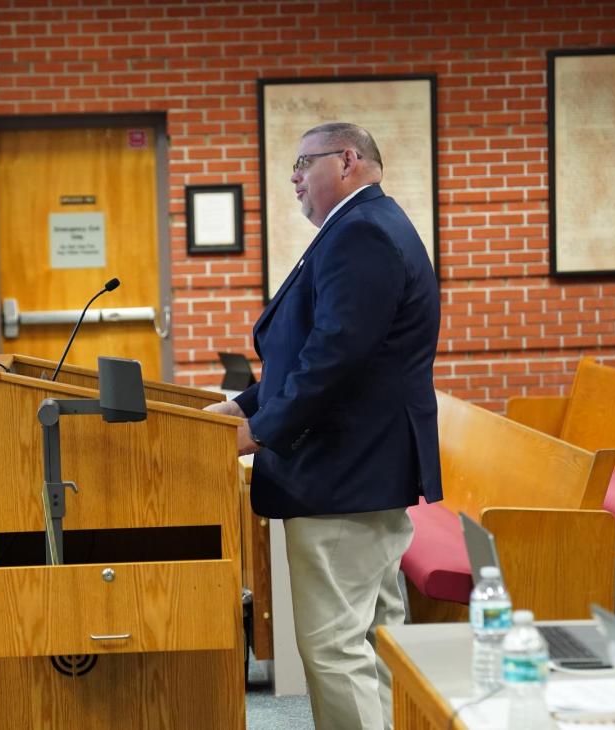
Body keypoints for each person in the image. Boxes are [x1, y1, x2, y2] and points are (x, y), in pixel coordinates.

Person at [205, 122, 441, 729]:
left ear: (347, 160)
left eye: (302, 164)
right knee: (376, 638)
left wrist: (259, 432)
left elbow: (335, 359)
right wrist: (246, 405)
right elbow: (317, 351)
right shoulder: (364, 226)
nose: (292, 178)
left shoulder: (361, 232)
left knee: (334, 646)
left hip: (344, 473)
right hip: (359, 469)